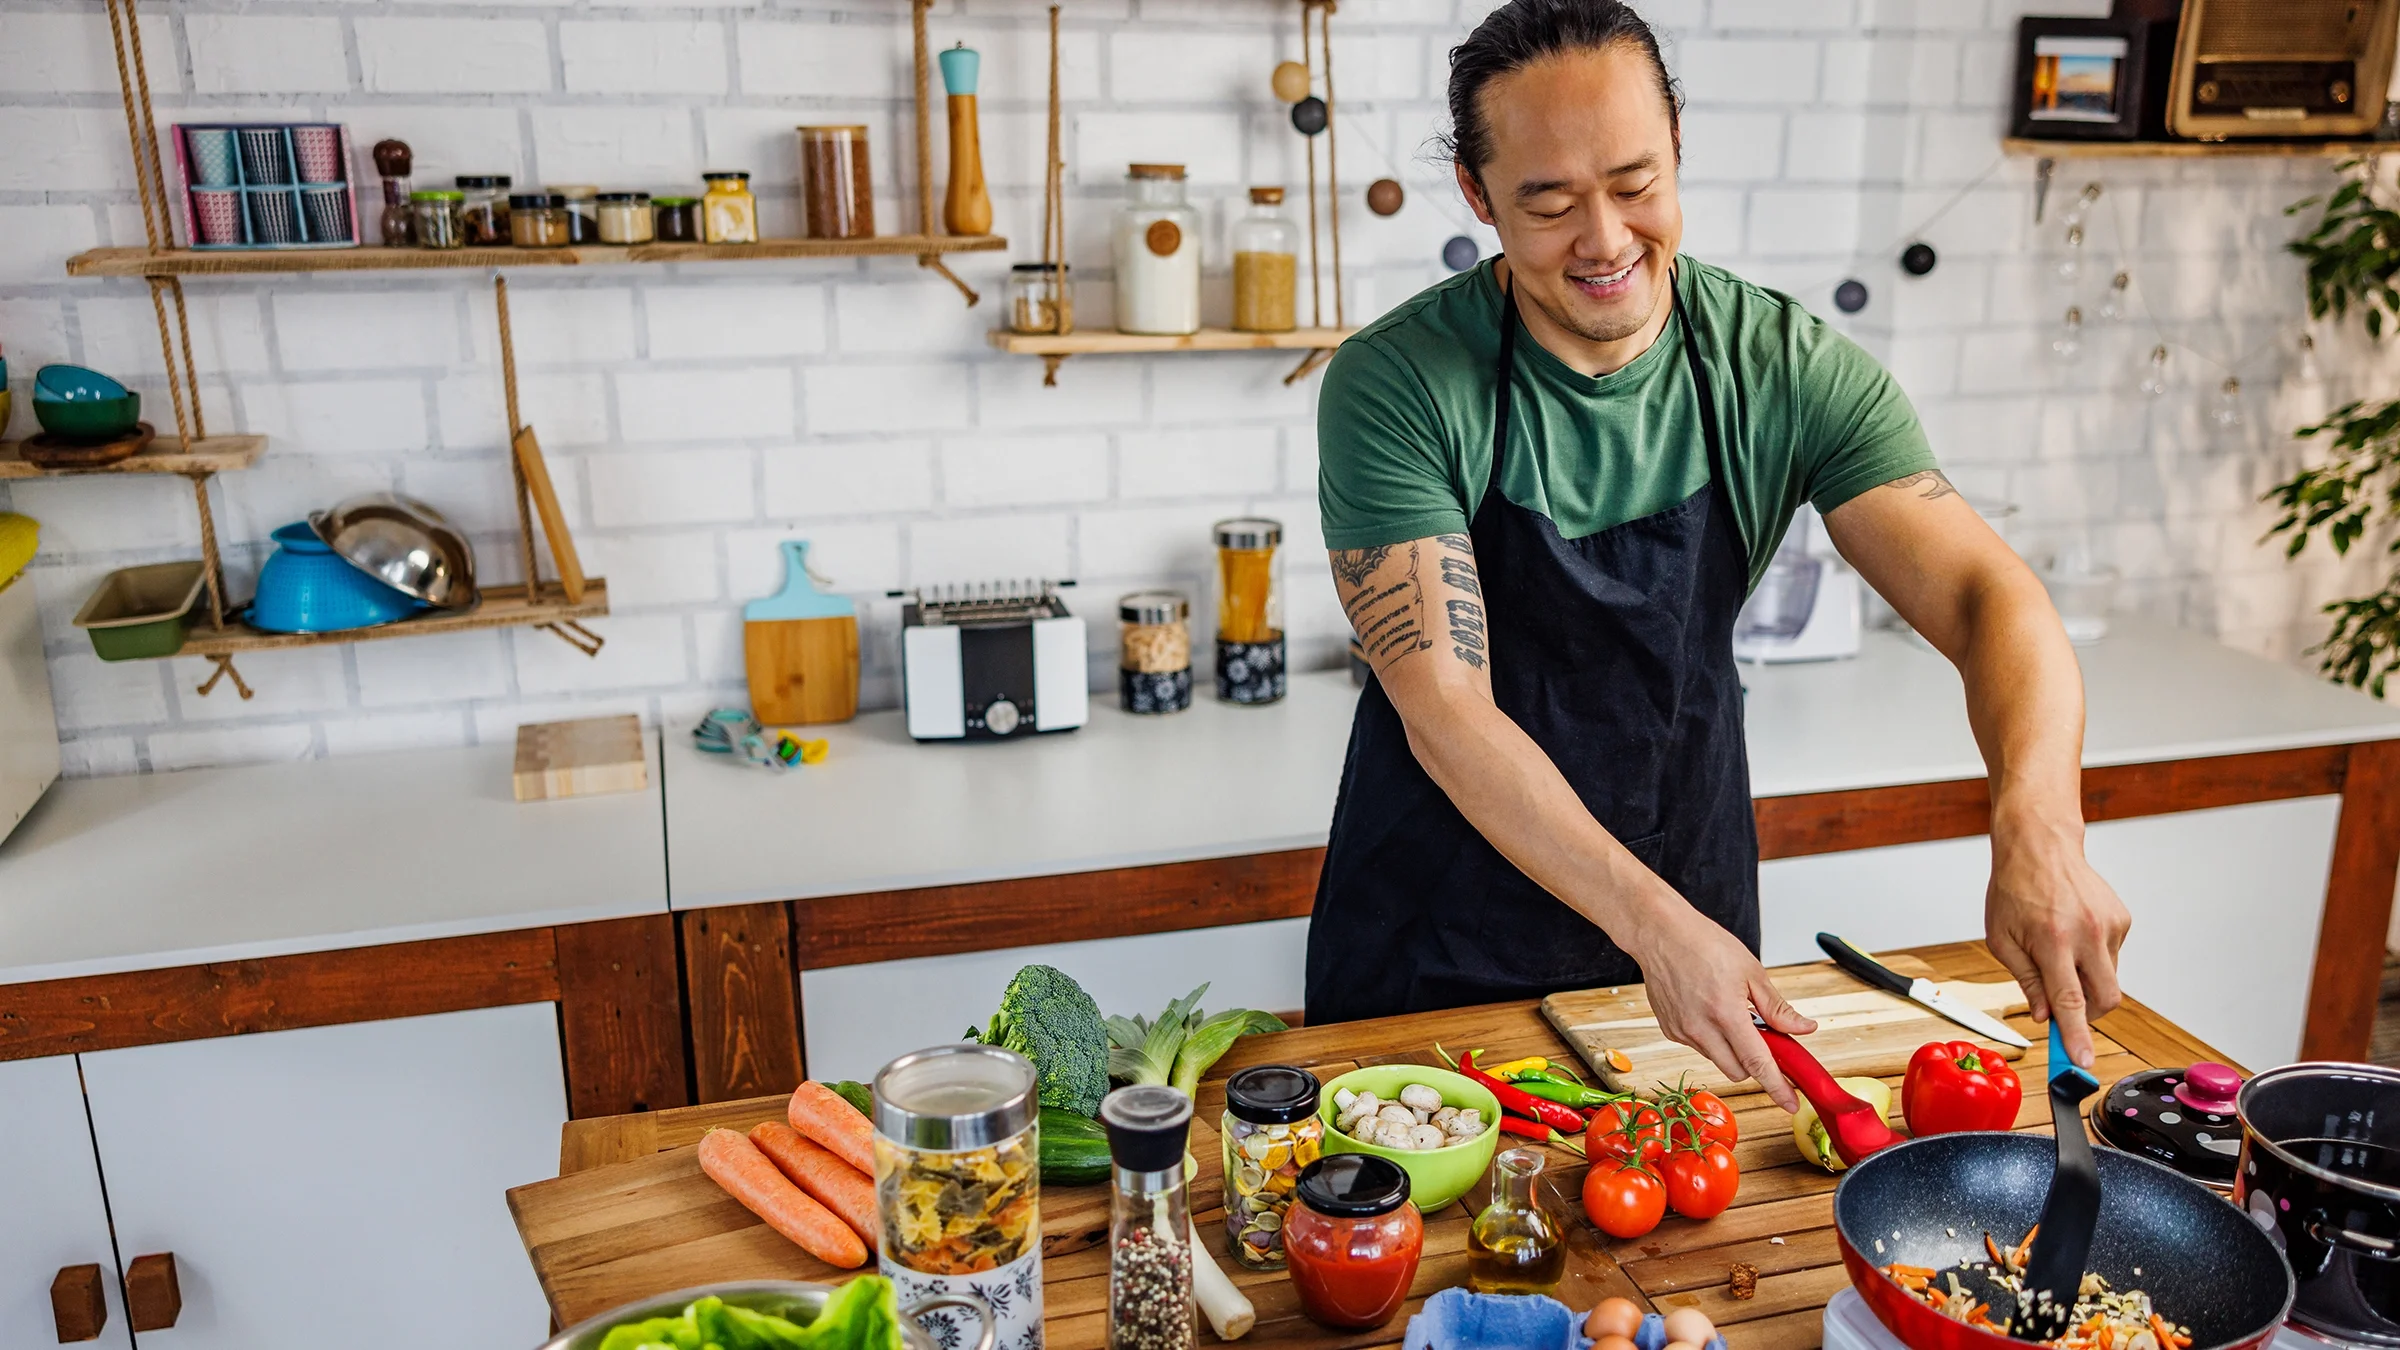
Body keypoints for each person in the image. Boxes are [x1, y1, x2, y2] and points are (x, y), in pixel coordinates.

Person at [1307, 0, 2130, 1111]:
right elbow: (1446, 707)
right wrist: (1651, 923)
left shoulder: (1781, 368)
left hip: (1689, 923)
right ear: (1477, 195)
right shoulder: (1398, 382)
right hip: (1437, 939)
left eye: (1636, 185)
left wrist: (2039, 825)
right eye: (1548, 205)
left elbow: (1991, 598)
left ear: (1679, 146)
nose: (1603, 241)